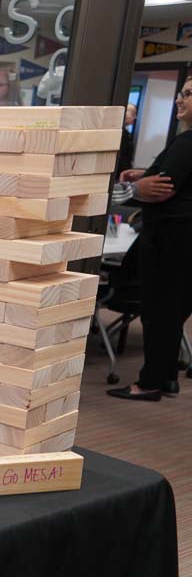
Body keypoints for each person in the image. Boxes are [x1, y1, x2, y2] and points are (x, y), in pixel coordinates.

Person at [107, 79, 192, 401]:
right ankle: (166, 376)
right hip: (181, 240)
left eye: (188, 94)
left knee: (159, 311)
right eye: (180, 93)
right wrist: (144, 174)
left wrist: (132, 190)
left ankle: (151, 382)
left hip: (170, 240)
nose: (179, 100)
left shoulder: (187, 142)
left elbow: (162, 189)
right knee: (172, 310)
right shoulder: (183, 142)